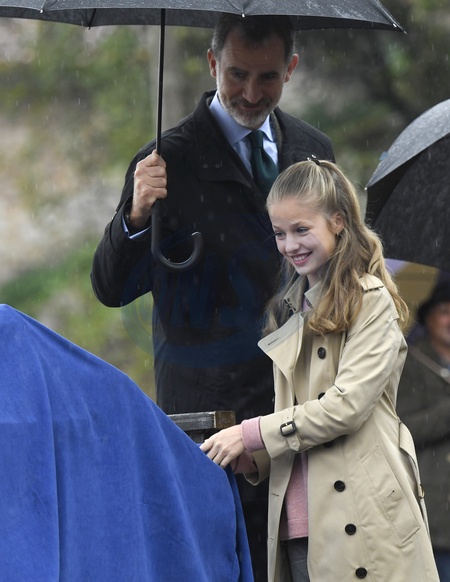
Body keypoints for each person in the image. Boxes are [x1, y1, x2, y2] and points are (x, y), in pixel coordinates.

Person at [91, 13, 334, 579]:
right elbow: (111, 286)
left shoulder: (312, 150)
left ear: (291, 69)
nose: (250, 93)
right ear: (211, 64)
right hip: (209, 422)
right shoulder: (164, 160)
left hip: (299, 410)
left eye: (267, 77)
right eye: (237, 75)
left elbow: (332, 268)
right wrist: (135, 215)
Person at [200, 159, 439, 582]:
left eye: (301, 229)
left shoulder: (372, 301)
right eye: (279, 233)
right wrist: (250, 455)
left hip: (363, 520)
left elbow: (345, 407)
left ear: (338, 222)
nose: (290, 245)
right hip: (298, 526)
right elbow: (297, 416)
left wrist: (251, 433)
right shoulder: (290, 309)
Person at [396, 279, 450, 582]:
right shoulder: (409, 363)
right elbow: (402, 429)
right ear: (428, 319)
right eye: (444, 311)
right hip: (434, 509)